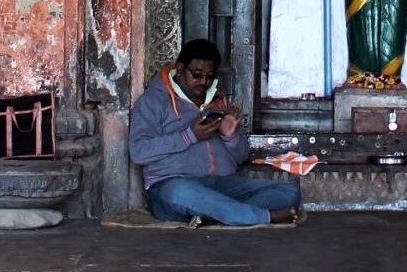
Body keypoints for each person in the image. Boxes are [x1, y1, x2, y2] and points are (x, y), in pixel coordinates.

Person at [129, 40, 302, 227]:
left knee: (289, 192)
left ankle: (213, 216)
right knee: (180, 192)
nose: (203, 82)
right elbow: (138, 152)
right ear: (180, 69)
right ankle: (265, 217)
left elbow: (241, 156)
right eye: (196, 75)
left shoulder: (219, 100)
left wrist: (230, 136)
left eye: (209, 76)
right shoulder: (152, 101)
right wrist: (190, 135)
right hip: (173, 185)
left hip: (222, 185)